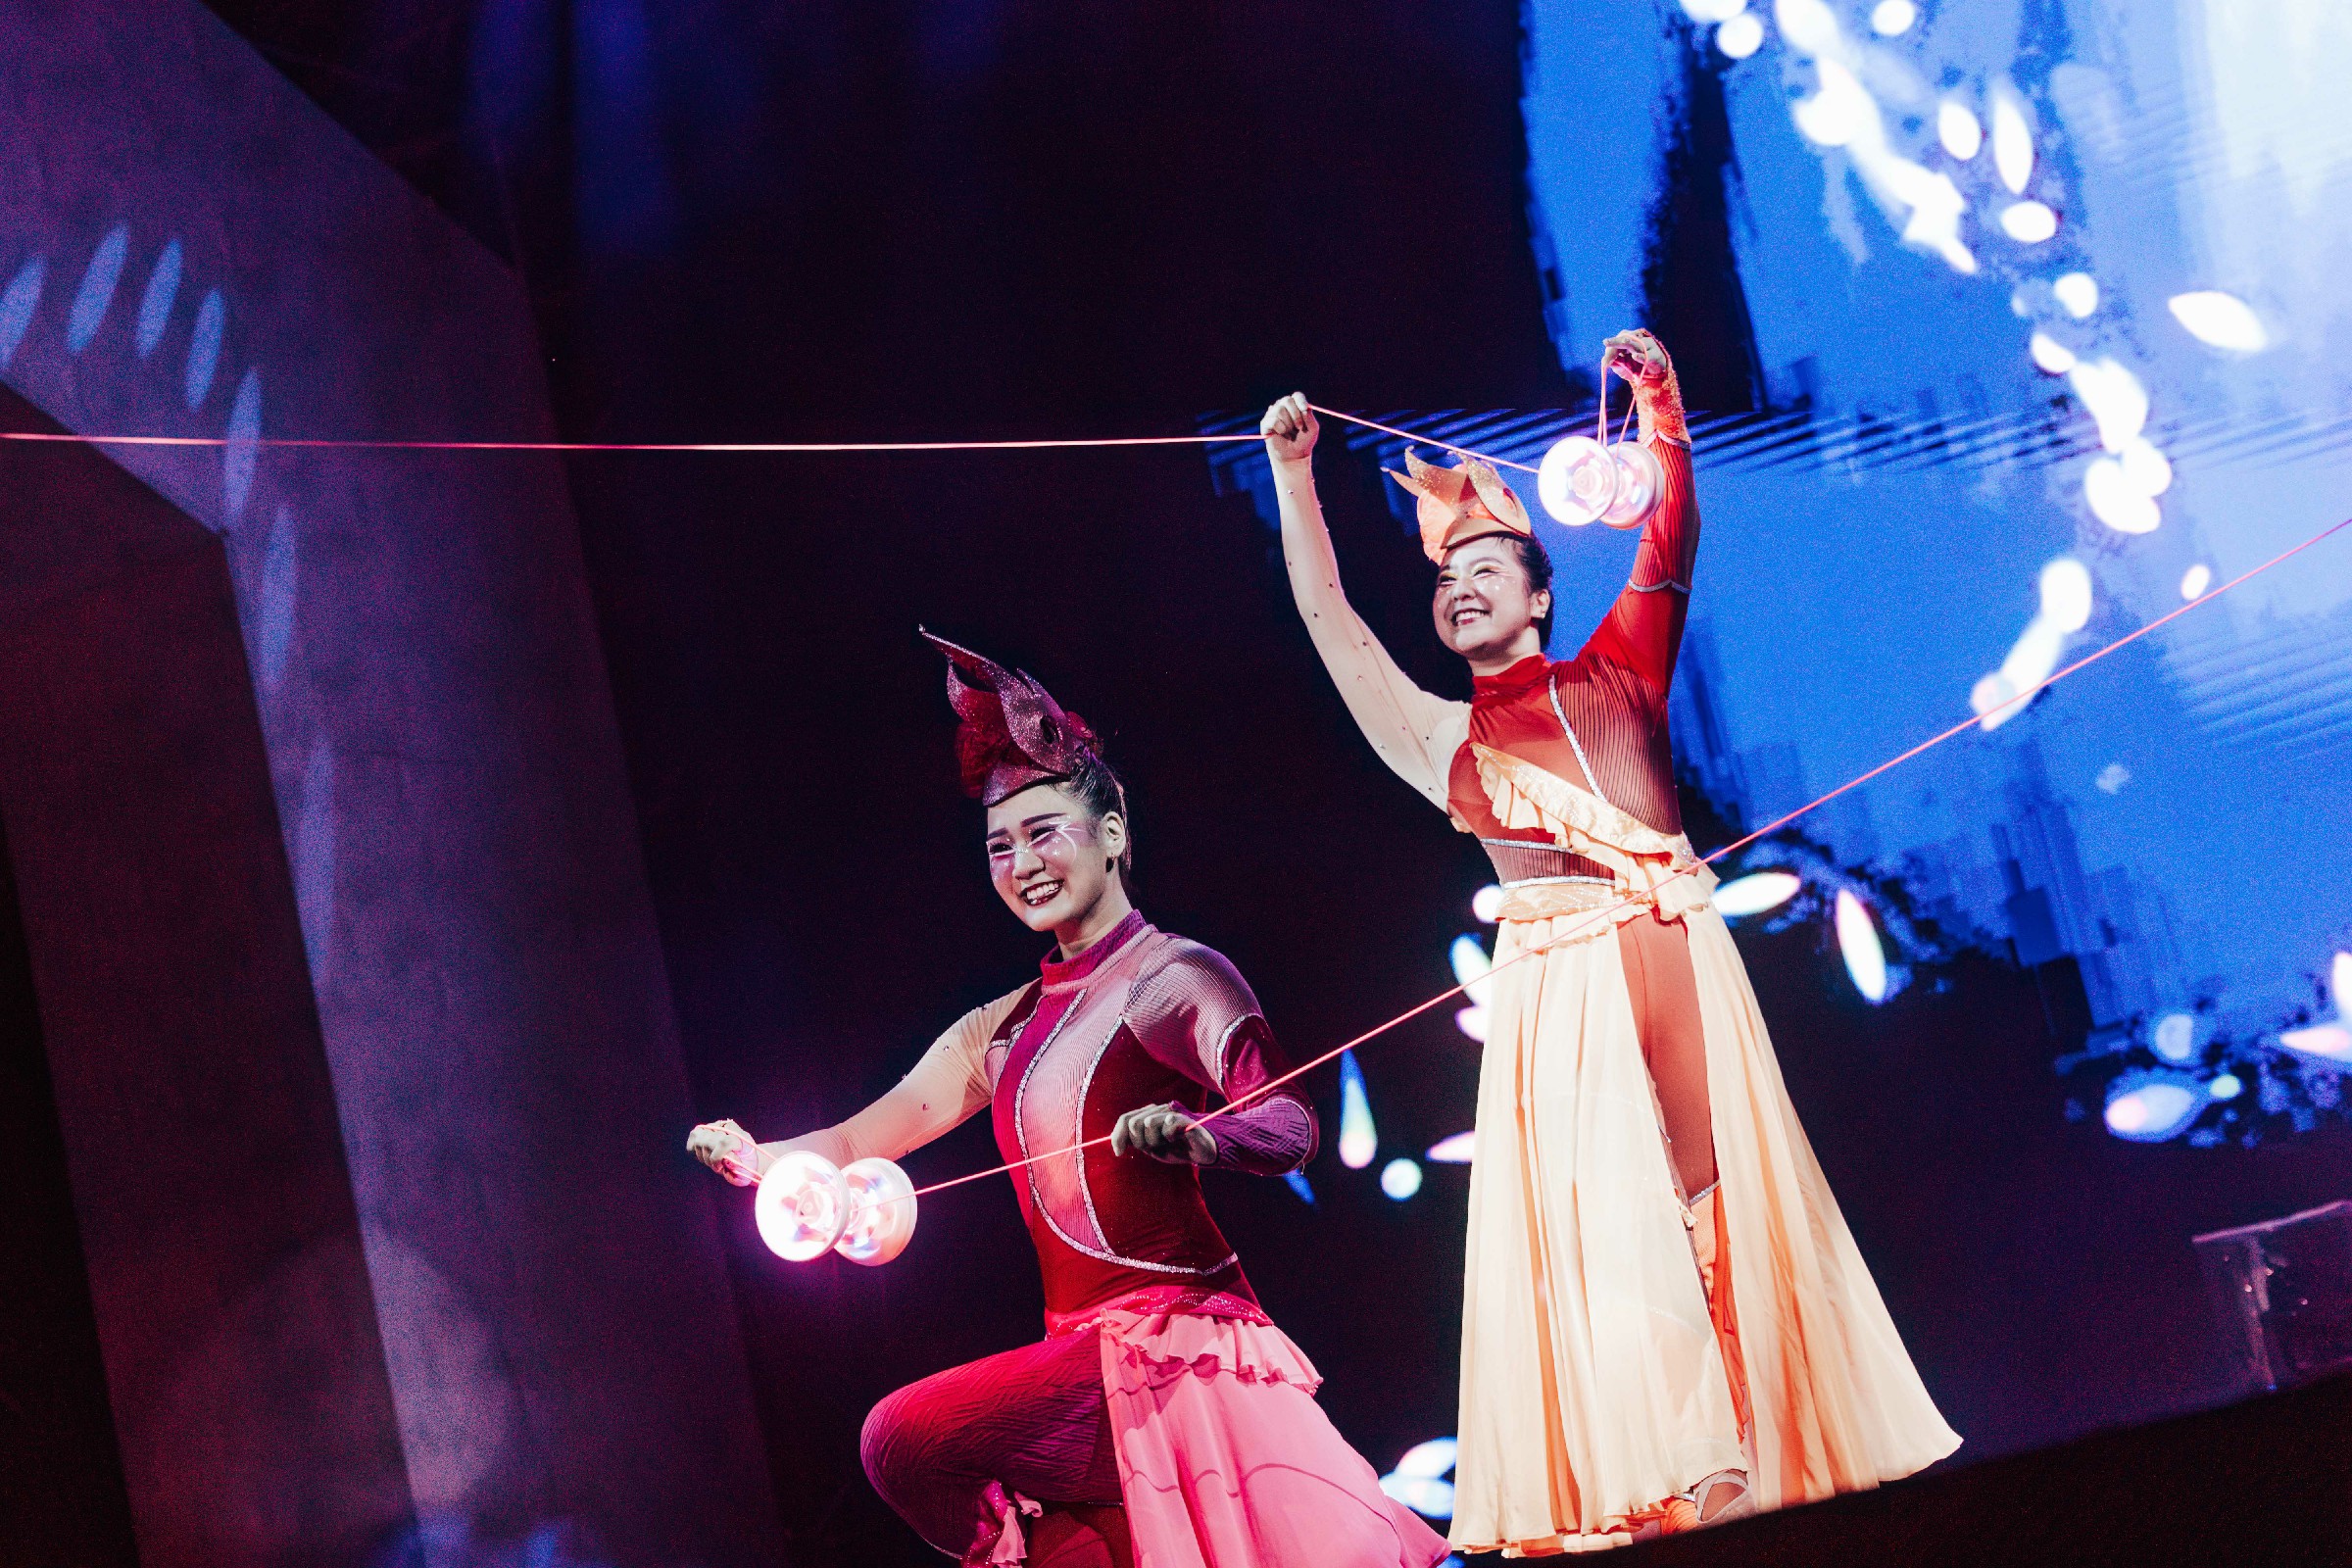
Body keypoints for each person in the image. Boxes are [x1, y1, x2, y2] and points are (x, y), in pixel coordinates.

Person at [1258, 330, 1958, 1551]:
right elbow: (1331, 623)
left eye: (1488, 567)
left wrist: (1660, 408)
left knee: (1726, 1214)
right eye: (1446, 579)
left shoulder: (1621, 670)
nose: (1462, 586)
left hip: (1682, 959)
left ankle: (1766, 1467)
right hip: (1564, 997)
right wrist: (1293, 476)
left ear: (1540, 594)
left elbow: (1669, 536)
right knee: (1620, 1245)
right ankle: (1684, 1481)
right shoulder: (1440, 741)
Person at [687, 632, 1448, 1568]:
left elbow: (1291, 1123)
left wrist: (1201, 1137)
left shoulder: (1174, 976)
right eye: (1000, 846)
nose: (1023, 863)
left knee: (904, 1436)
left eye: (1045, 832)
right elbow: (855, 1140)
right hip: (1084, 1356)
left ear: (1113, 834)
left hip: (1176, 1344)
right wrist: (758, 1159)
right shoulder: (1000, 1027)